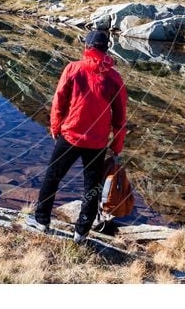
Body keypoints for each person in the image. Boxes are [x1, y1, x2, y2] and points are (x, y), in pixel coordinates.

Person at [26, 30, 128, 244]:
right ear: (105, 49)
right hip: (97, 143)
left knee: (52, 177)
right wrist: (116, 148)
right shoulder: (115, 78)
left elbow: (59, 101)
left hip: (70, 136)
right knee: (92, 188)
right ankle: (81, 233)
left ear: (87, 47)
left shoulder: (73, 69)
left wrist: (55, 127)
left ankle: (42, 221)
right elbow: (120, 118)